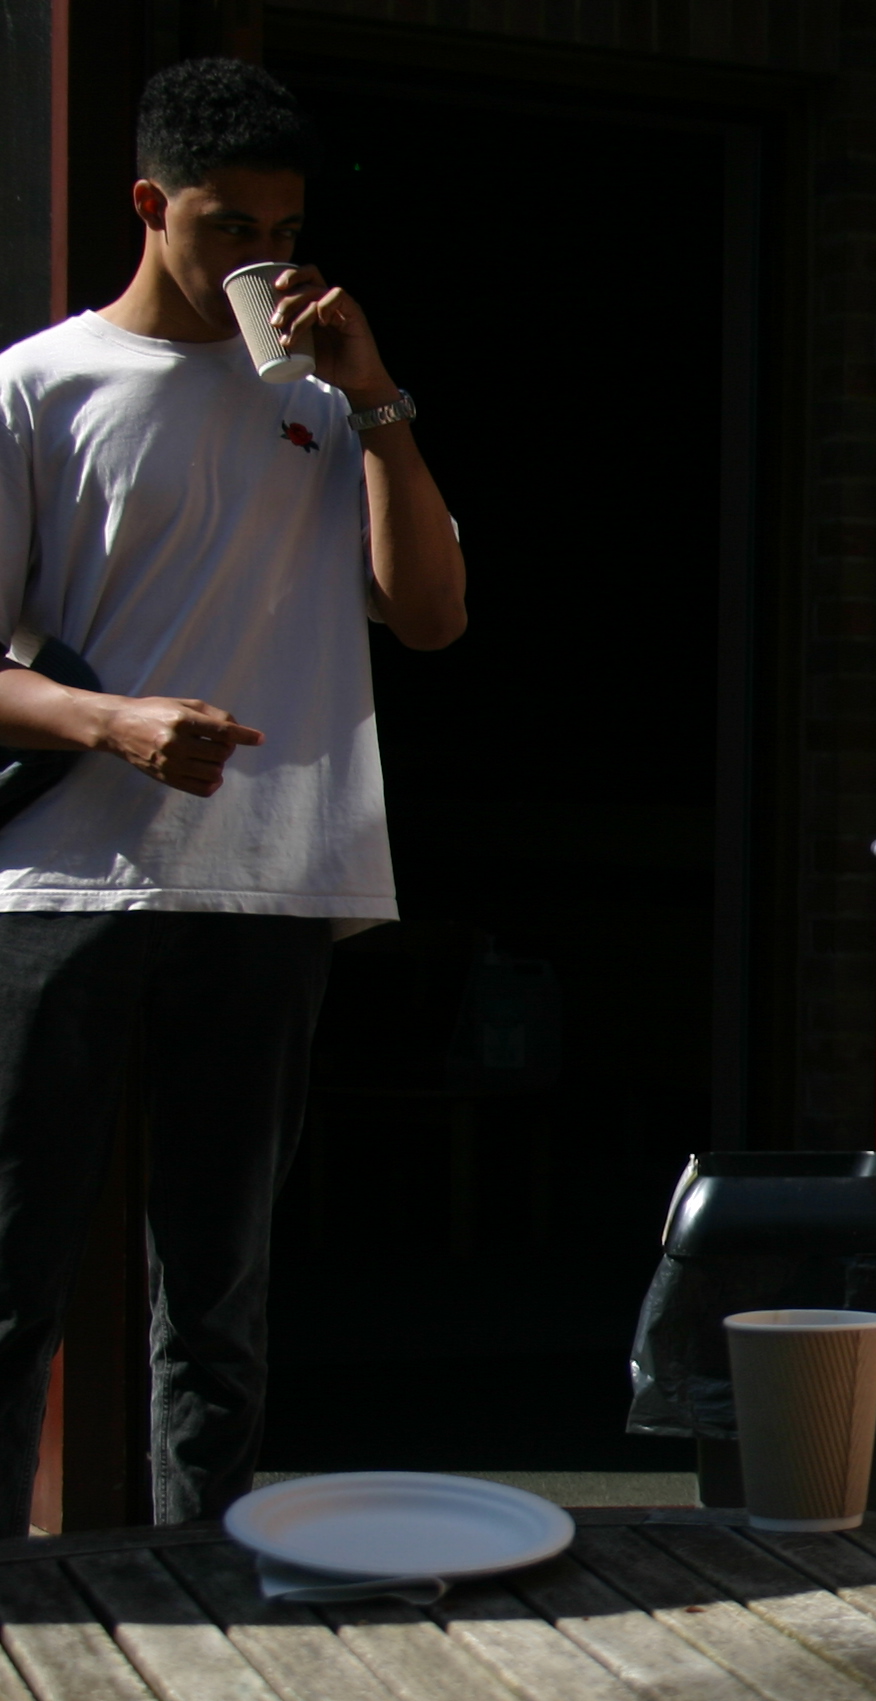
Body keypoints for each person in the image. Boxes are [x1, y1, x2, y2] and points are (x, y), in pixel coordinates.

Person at [0, 59, 466, 1532]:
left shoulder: (324, 404)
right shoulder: (39, 385)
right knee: (12, 1268)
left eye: (286, 231)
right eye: (229, 228)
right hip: (63, 881)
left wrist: (376, 396)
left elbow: (433, 615)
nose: (263, 260)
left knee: (221, 1292)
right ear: (151, 206)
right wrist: (114, 721)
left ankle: (206, 1589)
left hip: (271, 879)